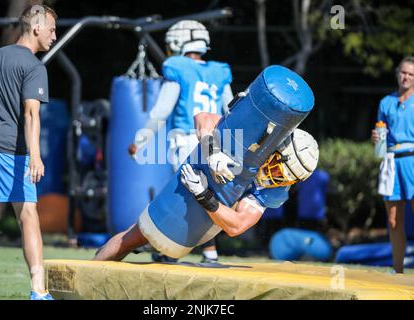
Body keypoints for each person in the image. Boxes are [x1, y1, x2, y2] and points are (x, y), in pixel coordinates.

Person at [94, 112, 319, 262]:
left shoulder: (276, 189)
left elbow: (237, 226)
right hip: (195, 168)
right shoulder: (255, 136)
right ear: (275, 152)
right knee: (134, 237)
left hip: (205, 220)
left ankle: (157, 247)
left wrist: (204, 196)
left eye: (287, 180)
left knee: (154, 244)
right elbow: (203, 118)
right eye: (279, 171)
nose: (277, 180)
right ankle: (88, 276)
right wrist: (212, 152)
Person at [0, 5, 57, 300]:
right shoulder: (34, 66)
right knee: (28, 215)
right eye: (52, 30)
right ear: (37, 28)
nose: (55, 36)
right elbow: (32, 115)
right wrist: (36, 155)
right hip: (9, 150)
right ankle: (39, 292)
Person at [128, 20, 235, 263]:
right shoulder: (219, 72)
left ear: (177, 42)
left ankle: (167, 249)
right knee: (205, 195)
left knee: (185, 196)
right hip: (215, 142)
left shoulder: (178, 67)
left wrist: (141, 140)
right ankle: (209, 253)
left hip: (187, 139)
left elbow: (162, 110)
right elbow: (230, 111)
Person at [371, 56, 414, 274]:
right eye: (403, 72)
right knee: (393, 220)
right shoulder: (385, 102)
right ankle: (398, 271)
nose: (406, 77)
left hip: (413, 160)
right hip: (391, 163)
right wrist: (376, 140)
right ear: (398, 73)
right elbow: (381, 137)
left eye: (411, 74)